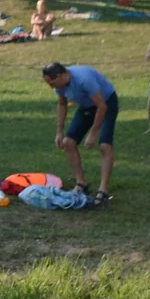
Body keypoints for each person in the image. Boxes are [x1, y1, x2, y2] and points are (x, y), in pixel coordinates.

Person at [41, 61, 117, 201]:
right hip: (88, 105)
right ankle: (81, 183)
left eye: (51, 82)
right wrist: (59, 131)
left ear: (60, 76)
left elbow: (101, 106)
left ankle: (103, 189)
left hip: (106, 103)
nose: (50, 86)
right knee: (68, 142)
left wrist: (93, 133)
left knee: (105, 146)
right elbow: (62, 104)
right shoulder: (60, 86)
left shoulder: (83, 79)